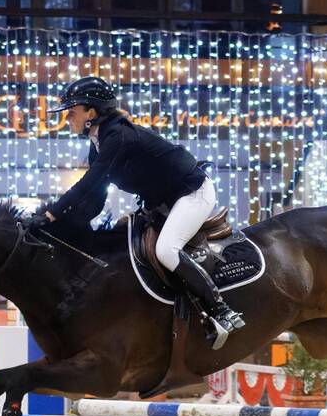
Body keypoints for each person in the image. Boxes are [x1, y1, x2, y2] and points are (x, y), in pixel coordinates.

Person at [42, 76, 245, 348]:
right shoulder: (98, 138)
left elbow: (88, 183)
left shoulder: (117, 136)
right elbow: (96, 195)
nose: (67, 118)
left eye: (72, 112)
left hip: (192, 194)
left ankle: (222, 310)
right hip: (162, 201)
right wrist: (66, 227)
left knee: (166, 250)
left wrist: (52, 214)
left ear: (90, 113)